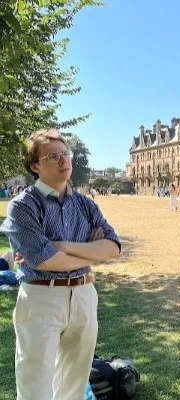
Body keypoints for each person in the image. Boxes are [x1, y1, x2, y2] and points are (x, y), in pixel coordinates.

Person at [0, 128, 121, 400]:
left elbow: (112, 248)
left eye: (65, 154)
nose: (63, 160)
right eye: (53, 156)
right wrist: (91, 252)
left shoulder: (85, 204)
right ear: (35, 166)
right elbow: (46, 260)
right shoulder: (23, 206)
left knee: (74, 388)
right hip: (42, 297)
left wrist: (62, 245)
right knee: (35, 388)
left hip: (83, 295)